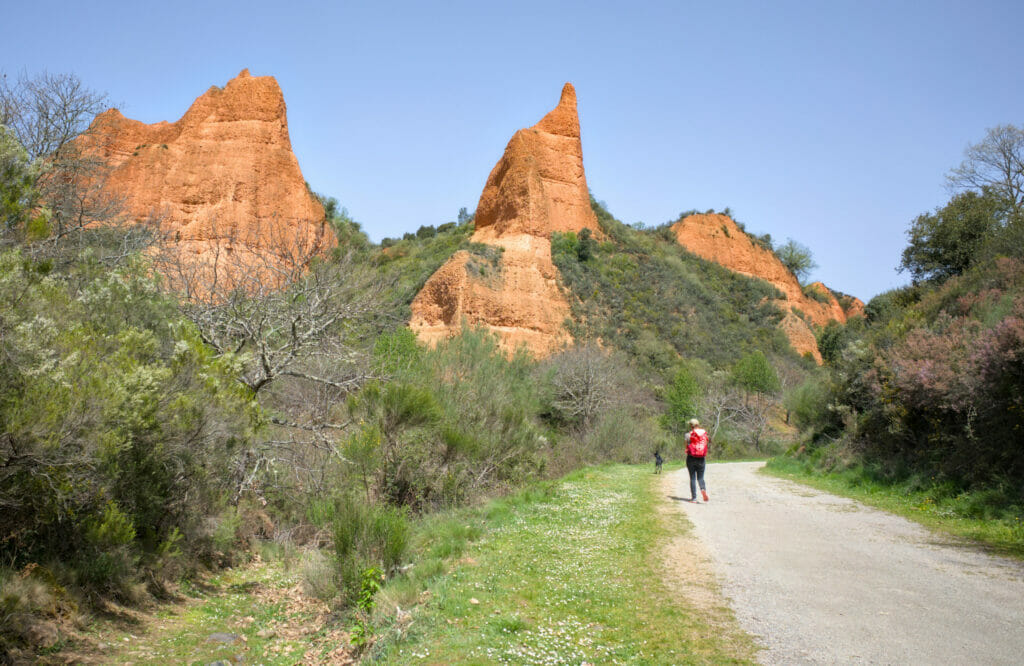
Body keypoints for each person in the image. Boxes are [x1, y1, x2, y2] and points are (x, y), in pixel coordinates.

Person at [686, 418, 709, 502]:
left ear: (690, 426)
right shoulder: (704, 434)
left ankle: (694, 498)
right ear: (698, 425)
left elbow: (686, 446)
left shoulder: (688, 435)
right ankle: (703, 489)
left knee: (692, 478)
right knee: (700, 478)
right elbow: (705, 444)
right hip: (701, 458)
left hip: (691, 458)